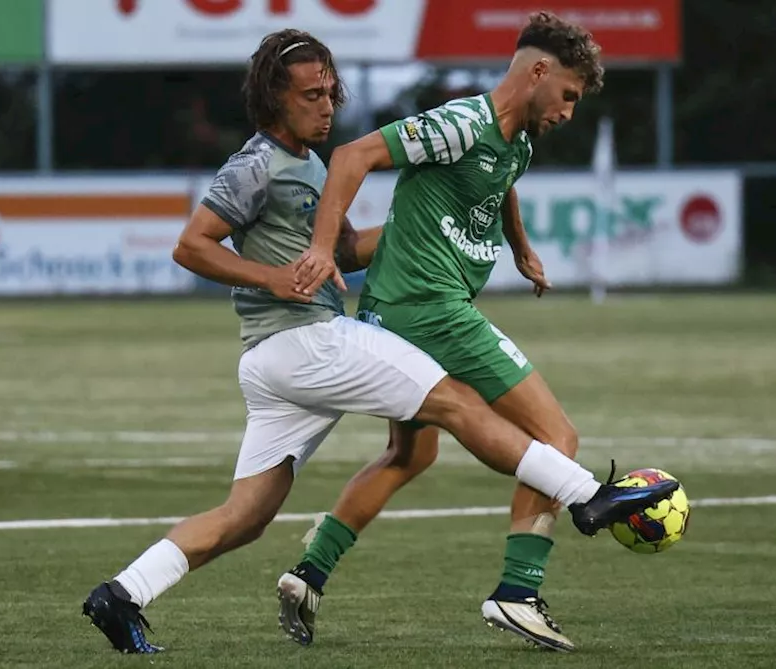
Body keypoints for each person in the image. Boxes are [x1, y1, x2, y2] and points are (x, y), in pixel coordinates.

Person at [79, 29, 676, 655]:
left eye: (332, 93)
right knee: (457, 404)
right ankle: (588, 496)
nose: (327, 106)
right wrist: (277, 276)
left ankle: (121, 595)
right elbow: (190, 245)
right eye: (312, 94)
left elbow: (338, 248)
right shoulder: (255, 164)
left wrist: (423, 229)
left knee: (247, 517)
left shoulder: (310, 165)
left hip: (275, 361)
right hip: (307, 340)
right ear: (273, 97)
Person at [283, 11, 611, 653]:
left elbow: (503, 184)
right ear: (538, 71)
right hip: (432, 311)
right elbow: (354, 155)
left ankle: (308, 574)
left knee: (411, 454)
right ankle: (518, 591)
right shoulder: (463, 123)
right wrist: (324, 249)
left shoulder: (515, 142)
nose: (569, 111)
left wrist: (520, 248)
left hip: (396, 312)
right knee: (558, 436)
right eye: (569, 95)